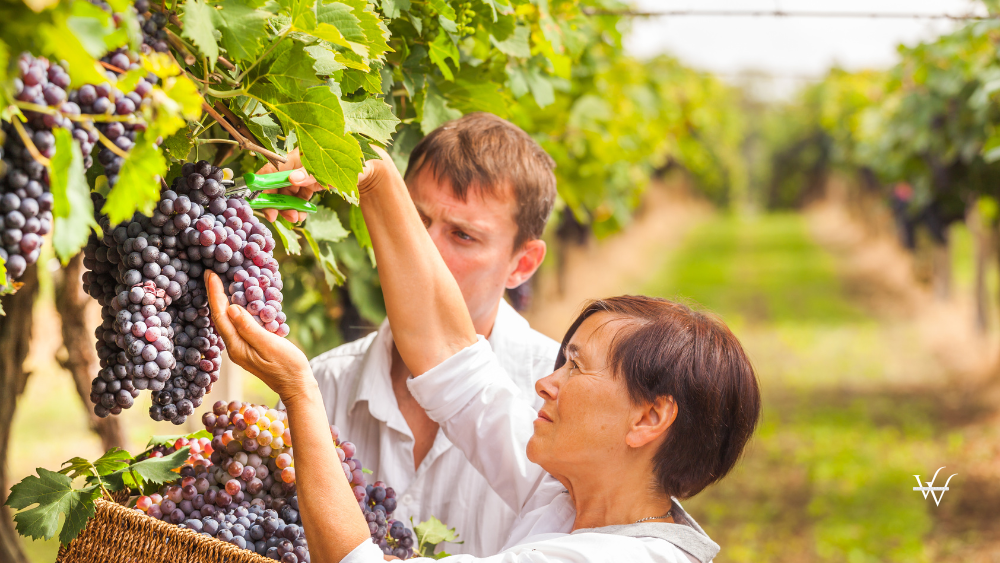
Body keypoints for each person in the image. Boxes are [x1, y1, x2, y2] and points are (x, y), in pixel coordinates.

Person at [206, 146, 762, 562]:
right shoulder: (575, 497)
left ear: (649, 417)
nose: (547, 381)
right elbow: (450, 356)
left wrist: (300, 393)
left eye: (578, 367)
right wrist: (370, 175)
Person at [259, 113, 561, 556]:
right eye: (414, 221)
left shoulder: (557, 407)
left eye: (462, 235)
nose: (426, 250)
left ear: (523, 264)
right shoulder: (321, 387)